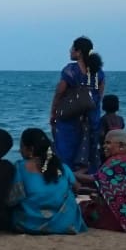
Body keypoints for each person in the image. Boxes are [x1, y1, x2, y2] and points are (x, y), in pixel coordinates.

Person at [7, 128, 86, 235]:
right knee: (69, 193)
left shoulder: (20, 167)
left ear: (30, 150)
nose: (19, 151)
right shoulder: (62, 166)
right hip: (65, 223)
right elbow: (77, 187)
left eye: (22, 147)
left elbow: (13, 198)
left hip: (30, 224)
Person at [49, 36, 106, 171]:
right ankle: (89, 179)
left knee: (66, 149)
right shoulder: (99, 72)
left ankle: (68, 178)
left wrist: (53, 112)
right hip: (91, 117)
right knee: (90, 149)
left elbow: (60, 92)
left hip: (71, 116)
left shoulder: (70, 70)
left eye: (72, 48)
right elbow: (99, 95)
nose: (70, 51)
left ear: (79, 52)